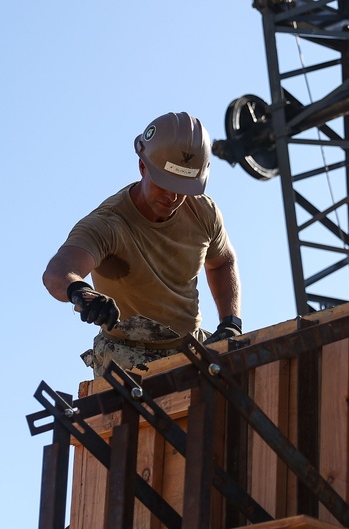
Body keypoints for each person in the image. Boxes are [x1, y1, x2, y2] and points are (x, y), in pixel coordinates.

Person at [42, 111, 242, 376]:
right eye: (164, 183)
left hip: (190, 346)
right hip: (127, 357)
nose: (172, 196)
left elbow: (222, 262)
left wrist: (230, 322)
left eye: (182, 187)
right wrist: (81, 292)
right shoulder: (109, 223)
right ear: (142, 167)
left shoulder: (203, 212)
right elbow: (57, 272)